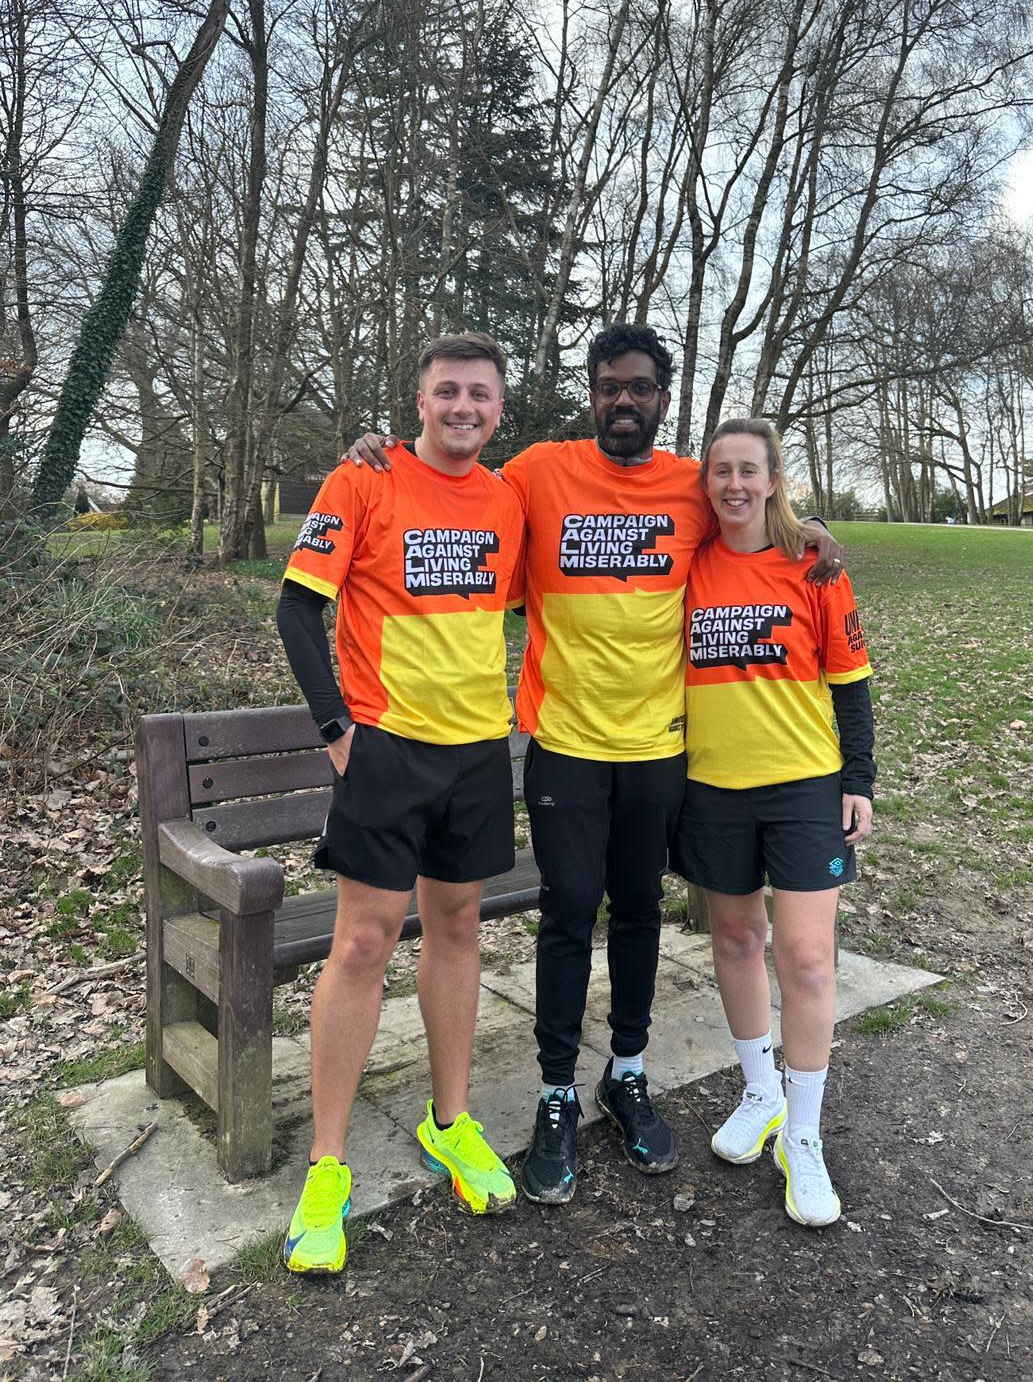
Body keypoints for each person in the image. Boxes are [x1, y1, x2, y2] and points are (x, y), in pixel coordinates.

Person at [346, 327, 845, 1206]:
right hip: (566, 746)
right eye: (611, 386)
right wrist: (375, 457)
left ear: (662, 396)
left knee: (641, 914)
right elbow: (447, 483)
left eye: (642, 388)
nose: (625, 400)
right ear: (592, 393)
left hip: (659, 749)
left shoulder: (691, 485)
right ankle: (555, 1092)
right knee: (569, 914)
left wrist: (814, 537)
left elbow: (752, 516)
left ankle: (627, 1069)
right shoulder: (539, 471)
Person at [276, 332, 525, 1275]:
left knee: (457, 929)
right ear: (419, 402)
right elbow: (298, 609)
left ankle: (449, 1122)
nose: (464, 407)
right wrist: (338, 731)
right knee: (363, 944)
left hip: (474, 755)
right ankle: (328, 1165)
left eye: (481, 396)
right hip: (385, 751)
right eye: (447, 392)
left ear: (499, 409)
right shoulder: (364, 480)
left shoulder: (507, 500)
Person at [673, 417, 874, 1227]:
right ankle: (758, 1093)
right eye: (720, 471)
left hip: (803, 788)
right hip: (712, 786)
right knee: (734, 940)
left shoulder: (814, 566)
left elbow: (852, 682)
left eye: (748, 471)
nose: (733, 485)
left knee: (808, 962)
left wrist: (858, 779)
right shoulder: (687, 565)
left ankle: (804, 1132)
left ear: (773, 478)